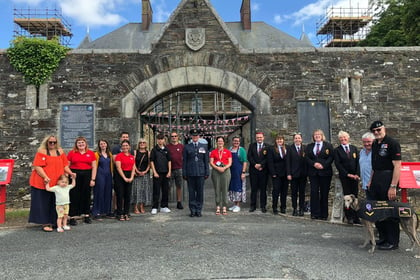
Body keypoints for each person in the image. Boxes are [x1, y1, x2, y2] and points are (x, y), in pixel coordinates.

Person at [28, 135, 76, 232]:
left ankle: (55, 221)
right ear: (46, 142)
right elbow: (37, 166)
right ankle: (45, 223)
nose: (52, 144)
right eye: (50, 142)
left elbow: (65, 165)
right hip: (43, 182)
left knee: (55, 203)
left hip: (56, 182)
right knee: (44, 203)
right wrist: (45, 176)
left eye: (54, 142)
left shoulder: (60, 152)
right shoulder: (41, 152)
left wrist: (70, 173)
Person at [368, 120, 402, 250]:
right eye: (374, 131)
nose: (376, 132)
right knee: (377, 210)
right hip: (377, 178)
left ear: (384, 129)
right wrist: (371, 180)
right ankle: (383, 237)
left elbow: (397, 166)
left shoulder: (393, 143)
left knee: (389, 210)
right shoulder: (375, 144)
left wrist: (393, 186)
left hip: (388, 179)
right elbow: (374, 166)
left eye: (379, 130)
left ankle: (393, 241)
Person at [67, 136, 97, 225]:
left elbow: (94, 167)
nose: (81, 144)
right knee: (74, 195)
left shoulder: (91, 153)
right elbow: (67, 166)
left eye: (82, 142)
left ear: (85, 144)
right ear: (76, 144)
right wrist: (68, 175)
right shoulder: (72, 153)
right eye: (79, 143)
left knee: (86, 194)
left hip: (87, 175)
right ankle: (72, 216)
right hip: (75, 175)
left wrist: (93, 179)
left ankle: (86, 215)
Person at [305, 129, 334, 220]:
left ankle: (324, 214)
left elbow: (331, 157)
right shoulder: (309, 146)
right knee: (314, 192)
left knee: (324, 193)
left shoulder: (328, 145)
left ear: (322, 136)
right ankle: (315, 213)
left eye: (319, 134)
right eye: (315, 134)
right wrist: (314, 164)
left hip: (325, 173)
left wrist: (324, 165)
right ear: (313, 137)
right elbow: (306, 157)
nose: (317, 136)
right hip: (313, 173)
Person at [334, 131, 360, 224]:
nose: (343, 139)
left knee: (355, 197)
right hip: (345, 177)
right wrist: (347, 174)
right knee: (347, 198)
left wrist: (357, 174)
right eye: (341, 138)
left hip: (355, 177)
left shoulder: (354, 148)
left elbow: (358, 162)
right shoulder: (337, 150)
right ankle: (349, 217)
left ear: (348, 138)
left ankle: (356, 217)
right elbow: (338, 164)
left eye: (345, 137)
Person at [182, 128, 209, 217]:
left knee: (200, 192)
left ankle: (199, 209)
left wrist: (207, 172)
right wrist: (184, 173)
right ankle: (192, 210)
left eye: (196, 135)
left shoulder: (203, 146)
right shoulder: (187, 147)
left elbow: (206, 160)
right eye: (193, 136)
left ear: (199, 136)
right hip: (190, 172)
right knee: (191, 192)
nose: (195, 137)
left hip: (201, 172)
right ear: (191, 137)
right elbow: (184, 161)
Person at [210, 136, 232, 215]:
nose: (220, 142)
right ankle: (218, 206)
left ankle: (224, 206)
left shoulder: (228, 152)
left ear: (223, 142)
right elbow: (211, 162)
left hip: (226, 171)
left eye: (221, 141)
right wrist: (217, 168)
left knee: (225, 189)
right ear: (217, 142)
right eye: (218, 141)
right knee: (217, 189)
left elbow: (230, 162)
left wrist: (224, 168)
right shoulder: (213, 152)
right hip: (216, 171)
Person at [247, 131, 269, 213]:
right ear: (256, 138)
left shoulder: (267, 146)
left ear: (263, 138)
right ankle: (253, 206)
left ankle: (263, 206)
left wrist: (261, 165)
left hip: (263, 171)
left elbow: (268, 158)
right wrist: (255, 164)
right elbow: (249, 156)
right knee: (254, 189)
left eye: (260, 137)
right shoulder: (251, 146)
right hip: (254, 170)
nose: (259, 139)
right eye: (258, 137)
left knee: (263, 190)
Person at [150, 133, 172, 215]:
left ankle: (164, 206)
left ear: (164, 140)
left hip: (166, 172)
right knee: (156, 190)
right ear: (157, 140)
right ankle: (155, 207)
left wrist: (169, 171)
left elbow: (169, 161)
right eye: (159, 139)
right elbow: (151, 161)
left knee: (165, 190)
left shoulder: (167, 149)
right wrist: (154, 172)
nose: (160, 140)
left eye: (162, 139)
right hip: (157, 173)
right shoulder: (154, 150)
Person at [114, 139, 136, 221]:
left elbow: (133, 167)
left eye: (127, 145)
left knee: (128, 195)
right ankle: (120, 213)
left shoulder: (131, 156)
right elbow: (118, 168)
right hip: (120, 176)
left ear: (129, 147)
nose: (125, 147)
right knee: (120, 195)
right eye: (123, 146)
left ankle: (126, 212)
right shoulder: (119, 156)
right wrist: (124, 178)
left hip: (129, 175)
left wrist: (131, 177)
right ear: (121, 147)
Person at [92, 139, 114, 220]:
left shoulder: (109, 154)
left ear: (107, 144)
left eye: (104, 143)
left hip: (108, 175)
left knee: (108, 193)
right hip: (99, 175)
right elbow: (94, 166)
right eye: (101, 144)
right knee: (99, 193)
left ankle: (107, 211)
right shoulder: (97, 154)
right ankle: (96, 212)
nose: (103, 145)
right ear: (99, 145)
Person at [286, 133, 307, 216]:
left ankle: (301, 209)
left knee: (302, 192)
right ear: (293, 139)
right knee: (294, 193)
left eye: (299, 138)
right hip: (293, 174)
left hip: (303, 174)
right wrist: (288, 173)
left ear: (301, 139)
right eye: (296, 138)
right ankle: (294, 208)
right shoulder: (290, 149)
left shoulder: (305, 148)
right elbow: (287, 162)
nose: (297, 140)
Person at [267, 135, 288, 214]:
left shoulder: (287, 148)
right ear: (275, 141)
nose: (279, 141)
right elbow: (270, 162)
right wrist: (273, 173)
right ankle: (274, 207)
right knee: (276, 191)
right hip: (276, 174)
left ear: (283, 140)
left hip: (285, 173)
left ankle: (283, 207)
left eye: (281, 139)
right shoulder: (271, 149)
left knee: (284, 191)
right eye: (278, 139)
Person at [228, 136, 248, 213]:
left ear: (239, 142)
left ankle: (238, 205)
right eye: (235, 141)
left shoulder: (241, 150)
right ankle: (234, 204)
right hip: (231, 171)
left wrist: (243, 172)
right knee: (232, 187)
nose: (236, 142)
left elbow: (245, 161)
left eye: (237, 141)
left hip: (238, 171)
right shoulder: (230, 149)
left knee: (238, 187)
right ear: (232, 141)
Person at [132, 138, 152, 214]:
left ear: (146, 144)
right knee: (136, 190)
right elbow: (133, 162)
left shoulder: (148, 153)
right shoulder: (135, 152)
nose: (142, 144)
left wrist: (145, 171)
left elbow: (149, 164)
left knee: (144, 190)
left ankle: (142, 206)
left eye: (144, 142)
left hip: (145, 174)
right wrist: (137, 171)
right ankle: (135, 207)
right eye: (140, 143)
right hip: (137, 174)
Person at [167, 131, 184, 210]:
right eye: (172, 136)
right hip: (170, 169)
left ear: (178, 137)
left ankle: (179, 201)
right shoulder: (167, 147)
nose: (174, 137)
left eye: (175, 136)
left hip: (179, 168)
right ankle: (166, 201)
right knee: (168, 186)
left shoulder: (181, 146)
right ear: (170, 138)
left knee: (179, 186)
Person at [359, 132, 375, 199]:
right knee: (369, 204)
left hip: (375, 183)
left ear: (374, 141)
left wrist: (371, 181)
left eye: (369, 141)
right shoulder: (362, 152)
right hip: (365, 184)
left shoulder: (376, 152)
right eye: (364, 142)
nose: (366, 144)